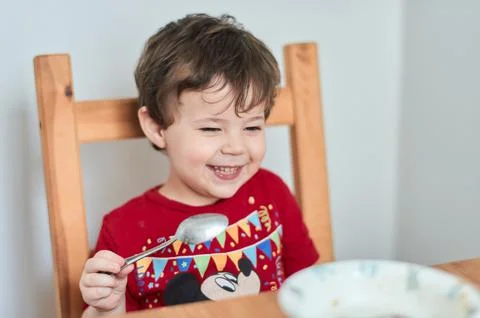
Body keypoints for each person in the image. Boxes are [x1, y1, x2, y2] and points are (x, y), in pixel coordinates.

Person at [79, 13, 319, 317]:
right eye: (210, 129)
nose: (236, 147)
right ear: (156, 127)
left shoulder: (272, 193)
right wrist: (107, 306)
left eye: (252, 127)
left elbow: (311, 288)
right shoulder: (122, 232)